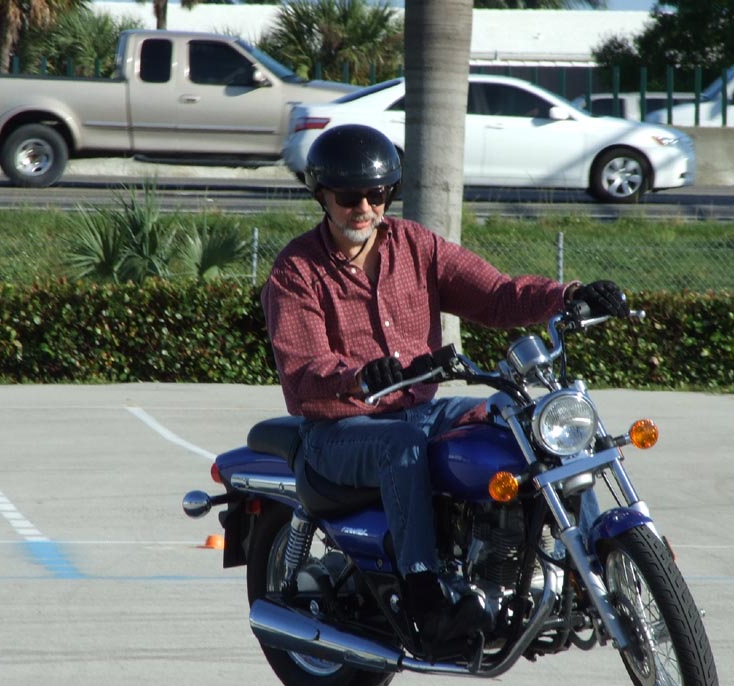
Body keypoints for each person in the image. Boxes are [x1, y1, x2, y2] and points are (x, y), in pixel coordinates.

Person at [261, 123, 628, 655]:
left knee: (527, 418)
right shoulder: (297, 270)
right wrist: (359, 377)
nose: (363, 207)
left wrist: (569, 296)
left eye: (376, 194)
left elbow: (498, 295)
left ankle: (591, 560)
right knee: (400, 445)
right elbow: (303, 371)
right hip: (339, 428)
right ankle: (424, 594)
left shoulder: (416, 245)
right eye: (348, 196)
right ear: (322, 195)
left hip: (421, 409)